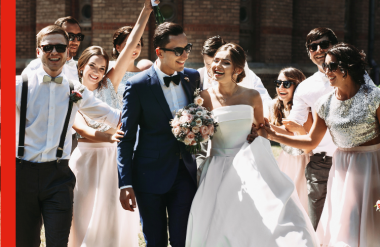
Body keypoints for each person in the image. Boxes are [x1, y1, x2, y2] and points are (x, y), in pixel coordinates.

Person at [186, 43, 318, 247]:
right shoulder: (203, 98)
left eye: (226, 62)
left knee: (258, 217)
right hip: (217, 167)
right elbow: (199, 136)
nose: (217, 65)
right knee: (218, 220)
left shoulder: (252, 96)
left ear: (238, 70)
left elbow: (260, 131)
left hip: (249, 162)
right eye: (216, 60)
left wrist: (257, 133)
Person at [264, 43, 380, 247]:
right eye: (325, 66)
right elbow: (310, 141)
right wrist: (272, 134)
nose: (327, 71)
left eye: (332, 66)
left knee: (372, 226)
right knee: (345, 227)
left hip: (372, 168)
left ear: (349, 66)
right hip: (342, 169)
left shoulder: (374, 97)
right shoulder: (324, 103)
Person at [16, 25, 121, 247]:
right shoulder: (19, 86)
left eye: (60, 47)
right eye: (48, 47)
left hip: (58, 176)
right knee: (25, 242)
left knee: (58, 241)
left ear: (67, 52)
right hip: (22, 175)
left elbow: (112, 116)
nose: (54, 51)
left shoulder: (76, 89)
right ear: (38, 52)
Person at [68, 1, 157, 246]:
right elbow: (82, 130)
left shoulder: (109, 84)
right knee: (84, 218)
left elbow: (129, 48)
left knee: (112, 217)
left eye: (102, 68)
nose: (97, 72)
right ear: (81, 66)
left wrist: (147, 10)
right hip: (86, 161)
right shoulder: (71, 93)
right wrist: (110, 136)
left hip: (114, 160)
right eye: (92, 67)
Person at [117, 22, 200, 247]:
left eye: (187, 48)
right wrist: (125, 183)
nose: (185, 55)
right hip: (148, 176)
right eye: (178, 50)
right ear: (159, 52)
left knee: (183, 239)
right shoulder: (138, 85)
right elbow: (127, 137)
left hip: (185, 174)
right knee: (155, 241)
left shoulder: (192, 78)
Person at [267, 68, 312, 213]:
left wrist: (269, 127)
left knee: (299, 200)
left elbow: (306, 138)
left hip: (302, 160)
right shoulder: (276, 106)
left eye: (286, 84)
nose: (280, 87)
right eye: (278, 83)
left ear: (298, 86)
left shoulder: (305, 109)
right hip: (285, 158)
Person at [198, 35, 272, 108]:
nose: (216, 67)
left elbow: (265, 99)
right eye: (208, 64)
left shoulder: (249, 76)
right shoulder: (198, 76)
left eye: (224, 62)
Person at [22, 16, 83, 81]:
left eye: (79, 36)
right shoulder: (35, 67)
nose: (76, 41)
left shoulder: (81, 69)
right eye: (70, 36)